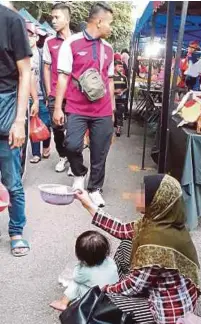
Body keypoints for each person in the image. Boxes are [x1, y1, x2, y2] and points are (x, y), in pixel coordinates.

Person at [75, 174, 201, 324]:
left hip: (168, 311)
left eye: (143, 194)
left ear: (156, 202)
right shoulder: (162, 220)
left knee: (102, 303)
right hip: (163, 288)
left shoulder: (156, 244)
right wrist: (87, 203)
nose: (136, 195)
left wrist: (105, 289)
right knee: (127, 243)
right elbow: (121, 229)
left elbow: (133, 286)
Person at [53, 2, 115, 208]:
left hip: (103, 109)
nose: (111, 28)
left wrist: (112, 110)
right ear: (99, 21)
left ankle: (95, 189)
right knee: (71, 144)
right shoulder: (71, 43)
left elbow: (110, 80)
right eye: (109, 23)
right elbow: (63, 77)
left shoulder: (109, 48)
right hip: (77, 108)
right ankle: (79, 172)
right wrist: (58, 107)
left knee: (100, 151)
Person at [0, 2, 32, 256]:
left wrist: (19, 120)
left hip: (6, 106)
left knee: (11, 179)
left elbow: (25, 72)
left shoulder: (11, 20)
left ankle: (16, 231)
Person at [50, 230, 118, 311]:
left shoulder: (85, 271)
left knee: (76, 284)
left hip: (95, 302)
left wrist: (80, 265)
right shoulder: (110, 261)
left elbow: (76, 277)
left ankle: (63, 303)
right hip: (113, 298)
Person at [43, 2, 72, 173]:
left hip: (75, 94)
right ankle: (63, 156)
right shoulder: (49, 42)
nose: (53, 21)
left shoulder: (77, 41)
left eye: (57, 17)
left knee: (74, 129)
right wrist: (48, 92)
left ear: (67, 19)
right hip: (55, 94)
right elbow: (46, 67)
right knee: (58, 129)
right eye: (52, 17)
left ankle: (74, 158)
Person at [26, 23, 51, 164]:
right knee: (32, 125)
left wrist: (48, 95)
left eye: (31, 35)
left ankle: (46, 146)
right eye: (26, 36)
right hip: (27, 97)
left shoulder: (42, 55)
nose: (28, 39)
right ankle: (36, 153)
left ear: (36, 38)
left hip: (42, 96)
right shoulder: (22, 54)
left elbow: (46, 75)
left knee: (45, 123)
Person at [113, 60, 128, 137]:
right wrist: (114, 91)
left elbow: (126, 87)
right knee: (112, 113)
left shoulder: (124, 77)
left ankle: (118, 129)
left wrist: (122, 92)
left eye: (122, 66)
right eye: (119, 66)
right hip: (112, 99)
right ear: (114, 67)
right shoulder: (110, 77)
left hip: (121, 99)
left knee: (119, 113)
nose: (121, 68)